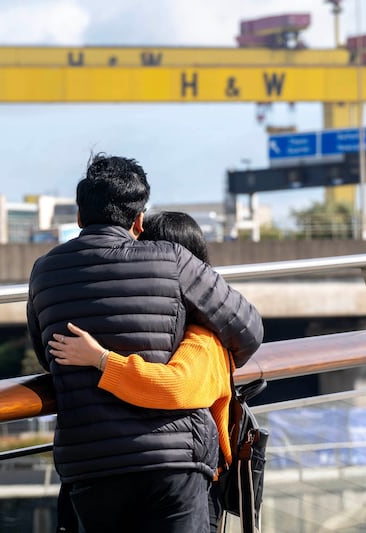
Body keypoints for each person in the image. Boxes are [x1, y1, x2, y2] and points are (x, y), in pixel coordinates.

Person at [26, 154, 263, 533]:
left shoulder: (44, 271)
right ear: (138, 221)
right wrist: (189, 335)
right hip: (174, 462)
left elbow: (46, 354)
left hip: (92, 465)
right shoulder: (172, 259)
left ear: (79, 218)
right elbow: (249, 329)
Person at [48, 211, 236, 533]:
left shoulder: (204, 340)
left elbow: (173, 387)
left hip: (190, 480)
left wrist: (101, 359)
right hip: (156, 470)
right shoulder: (165, 333)